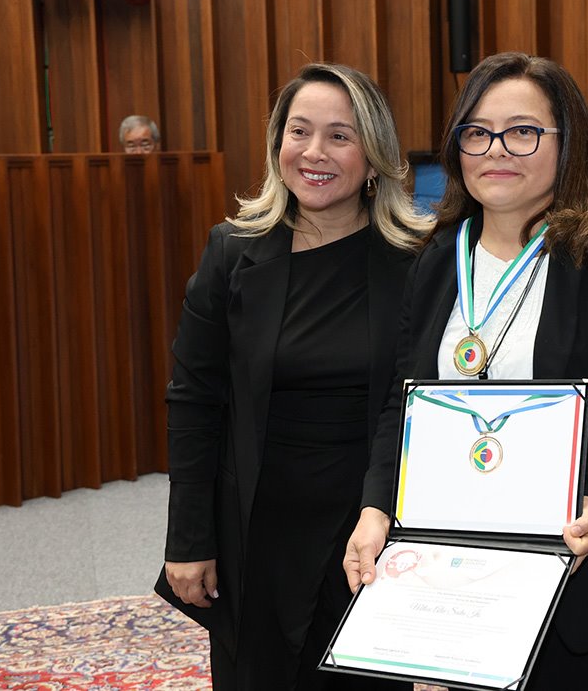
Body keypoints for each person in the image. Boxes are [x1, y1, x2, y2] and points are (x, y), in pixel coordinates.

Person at [345, 52, 588, 689]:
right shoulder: (434, 262)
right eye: (477, 133)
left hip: (572, 576)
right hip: (445, 572)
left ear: (568, 144)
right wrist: (375, 508)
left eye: (524, 131)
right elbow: (403, 404)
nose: (496, 150)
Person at [156, 63, 431, 690]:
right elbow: (193, 401)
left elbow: (417, 402)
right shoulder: (232, 252)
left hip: (369, 532)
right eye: (299, 131)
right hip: (256, 531)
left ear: (375, 155)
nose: (314, 152)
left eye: (340, 135)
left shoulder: (418, 261)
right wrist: (189, 538)